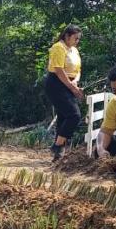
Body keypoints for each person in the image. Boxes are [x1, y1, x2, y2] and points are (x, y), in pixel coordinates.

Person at [45, 24, 83, 161]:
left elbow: (78, 69)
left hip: (69, 83)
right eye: (75, 38)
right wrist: (72, 87)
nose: (77, 41)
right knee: (74, 115)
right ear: (67, 36)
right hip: (56, 84)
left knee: (63, 117)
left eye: (78, 39)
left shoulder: (74, 50)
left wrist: (75, 82)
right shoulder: (58, 48)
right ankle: (58, 145)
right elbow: (59, 71)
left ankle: (58, 155)